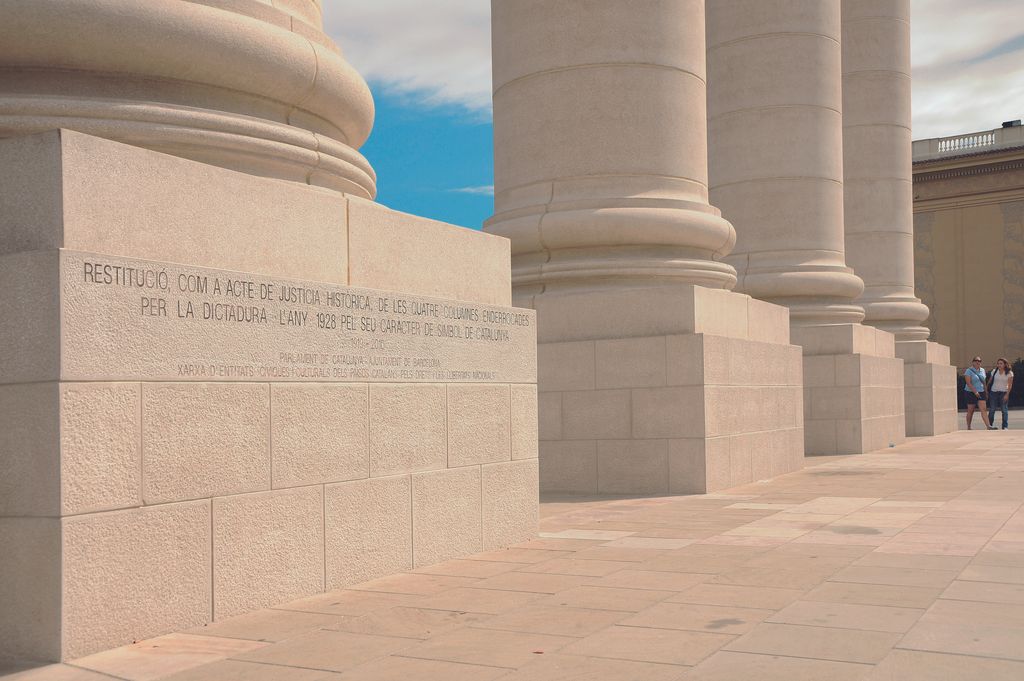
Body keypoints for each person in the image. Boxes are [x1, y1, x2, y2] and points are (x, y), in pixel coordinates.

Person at [964, 357, 996, 430]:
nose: (978, 362)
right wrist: (975, 392)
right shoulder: (968, 371)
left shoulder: (982, 370)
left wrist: (986, 391)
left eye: (979, 361)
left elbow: (983, 382)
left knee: (983, 409)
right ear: (973, 362)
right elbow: (968, 383)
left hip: (981, 391)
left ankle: (988, 426)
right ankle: (969, 426)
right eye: (976, 361)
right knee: (971, 410)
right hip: (970, 392)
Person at [987, 357, 1014, 430]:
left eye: (1001, 363)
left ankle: (1005, 426)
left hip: (1003, 393)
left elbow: (1010, 385)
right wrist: (986, 390)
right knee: (992, 409)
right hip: (993, 393)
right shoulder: (994, 371)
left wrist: (1007, 394)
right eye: (998, 363)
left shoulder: (1009, 373)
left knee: (1004, 410)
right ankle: (990, 425)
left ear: (1005, 364)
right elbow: (990, 381)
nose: (999, 365)